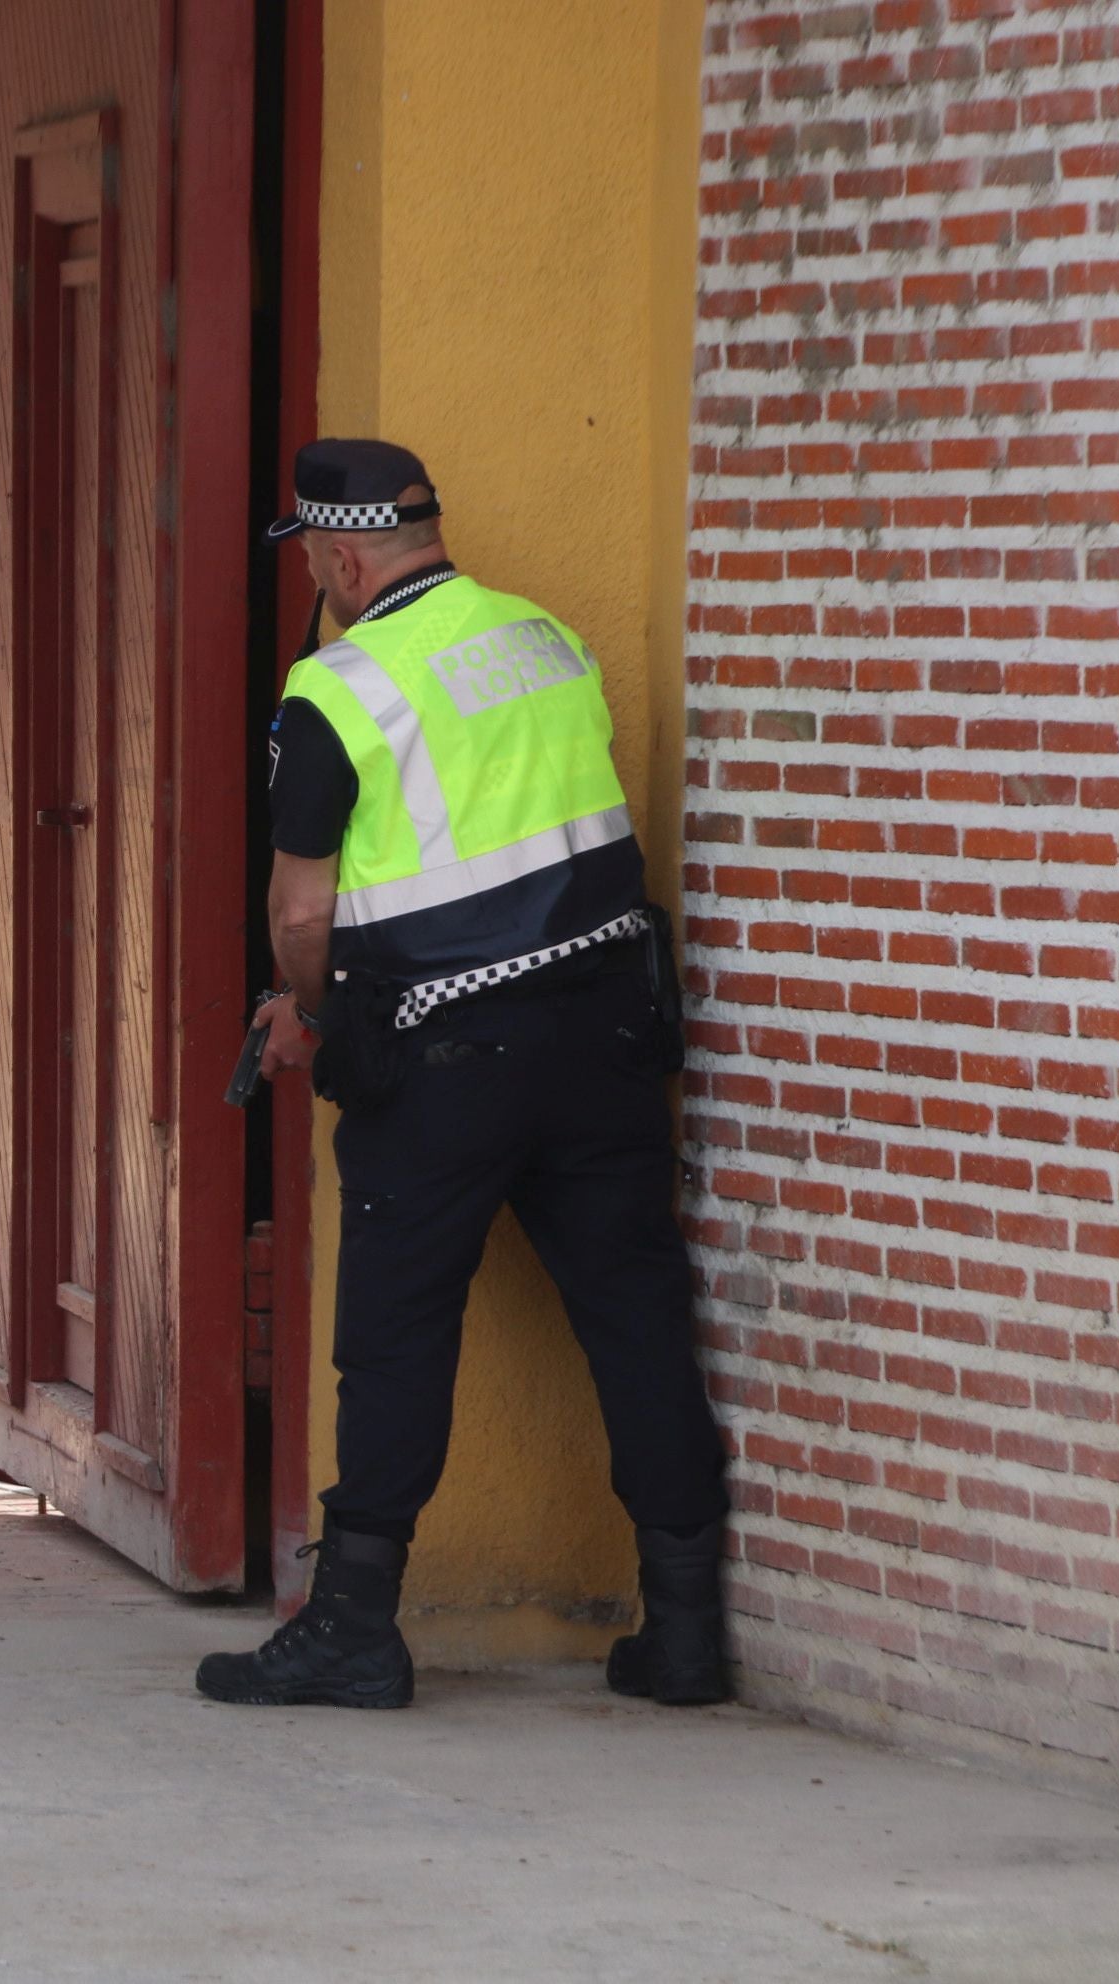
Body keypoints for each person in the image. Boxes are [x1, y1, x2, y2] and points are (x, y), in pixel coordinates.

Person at [196, 438, 732, 1713]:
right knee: (636, 1314)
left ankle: (352, 1628)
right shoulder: (547, 638)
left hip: (439, 1059)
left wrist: (304, 1012)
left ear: (335, 554)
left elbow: (303, 911)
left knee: (394, 1335)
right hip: (605, 1040)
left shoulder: (336, 688)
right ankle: (690, 1627)